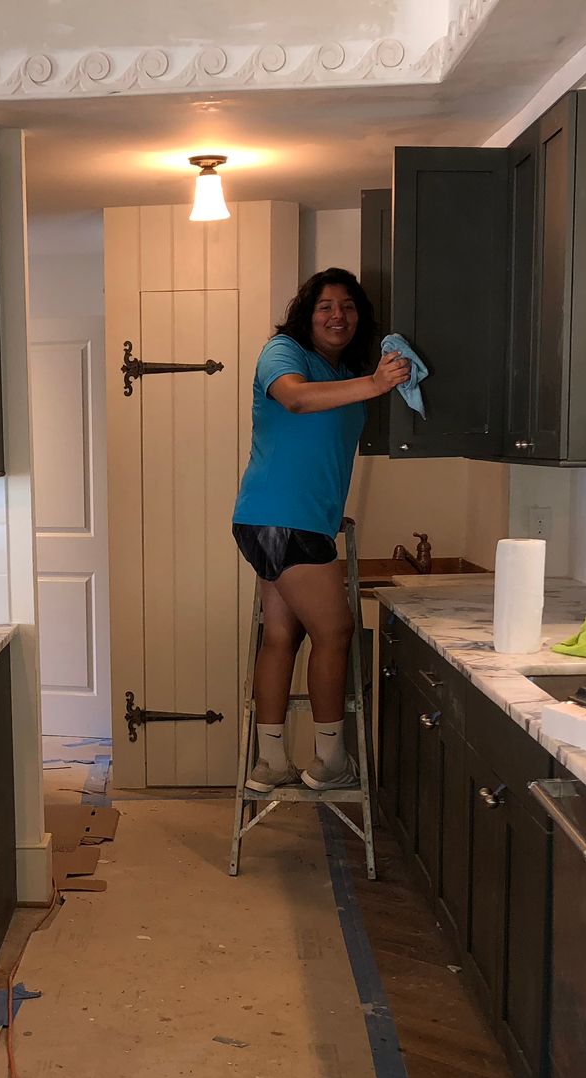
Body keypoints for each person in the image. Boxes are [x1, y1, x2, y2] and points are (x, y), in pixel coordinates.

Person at [231, 268, 411, 793]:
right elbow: (295, 400)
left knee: (283, 635)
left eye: (349, 307)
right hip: (283, 520)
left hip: (284, 519)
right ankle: (330, 760)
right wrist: (377, 383)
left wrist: (330, 513)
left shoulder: (343, 371)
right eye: (326, 306)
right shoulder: (284, 352)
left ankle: (270, 764)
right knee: (335, 632)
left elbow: (317, 453)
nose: (338, 316)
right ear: (306, 315)